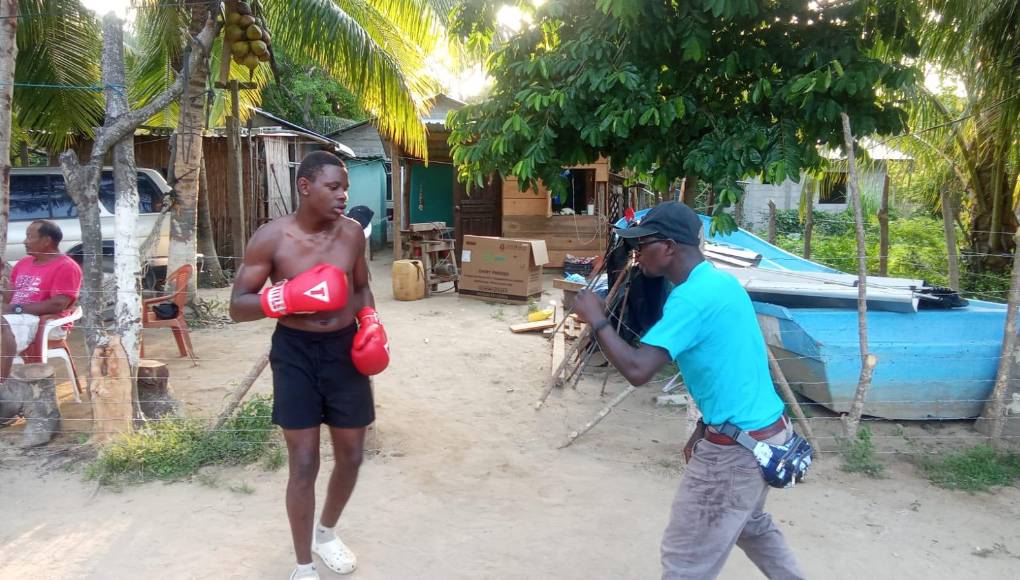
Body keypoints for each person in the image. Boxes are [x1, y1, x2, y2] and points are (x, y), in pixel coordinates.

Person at [571, 202, 804, 580]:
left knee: (686, 561)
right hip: (768, 432)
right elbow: (730, 367)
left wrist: (597, 319)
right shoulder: (721, 284)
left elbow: (638, 370)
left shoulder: (691, 300)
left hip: (734, 454)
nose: (635, 253)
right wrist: (704, 425)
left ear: (668, 247)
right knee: (751, 526)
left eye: (641, 244)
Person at [229, 151, 389, 580]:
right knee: (303, 462)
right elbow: (237, 306)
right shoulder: (272, 238)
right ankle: (303, 565)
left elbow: (361, 287)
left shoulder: (352, 234)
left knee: (352, 456)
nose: (343, 195)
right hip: (295, 352)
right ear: (305, 186)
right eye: (333, 187)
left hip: (344, 349)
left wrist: (371, 321)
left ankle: (326, 534)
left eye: (345, 188)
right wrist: (282, 298)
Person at [1, 220, 83, 382]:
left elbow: (58, 305)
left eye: (30, 237)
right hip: (17, 315)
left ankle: (2, 381)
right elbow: (10, 297)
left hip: (45, 320)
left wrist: (15, 309)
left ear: (46, 241)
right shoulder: (23, 263)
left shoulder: (66, 267)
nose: (25, 241)